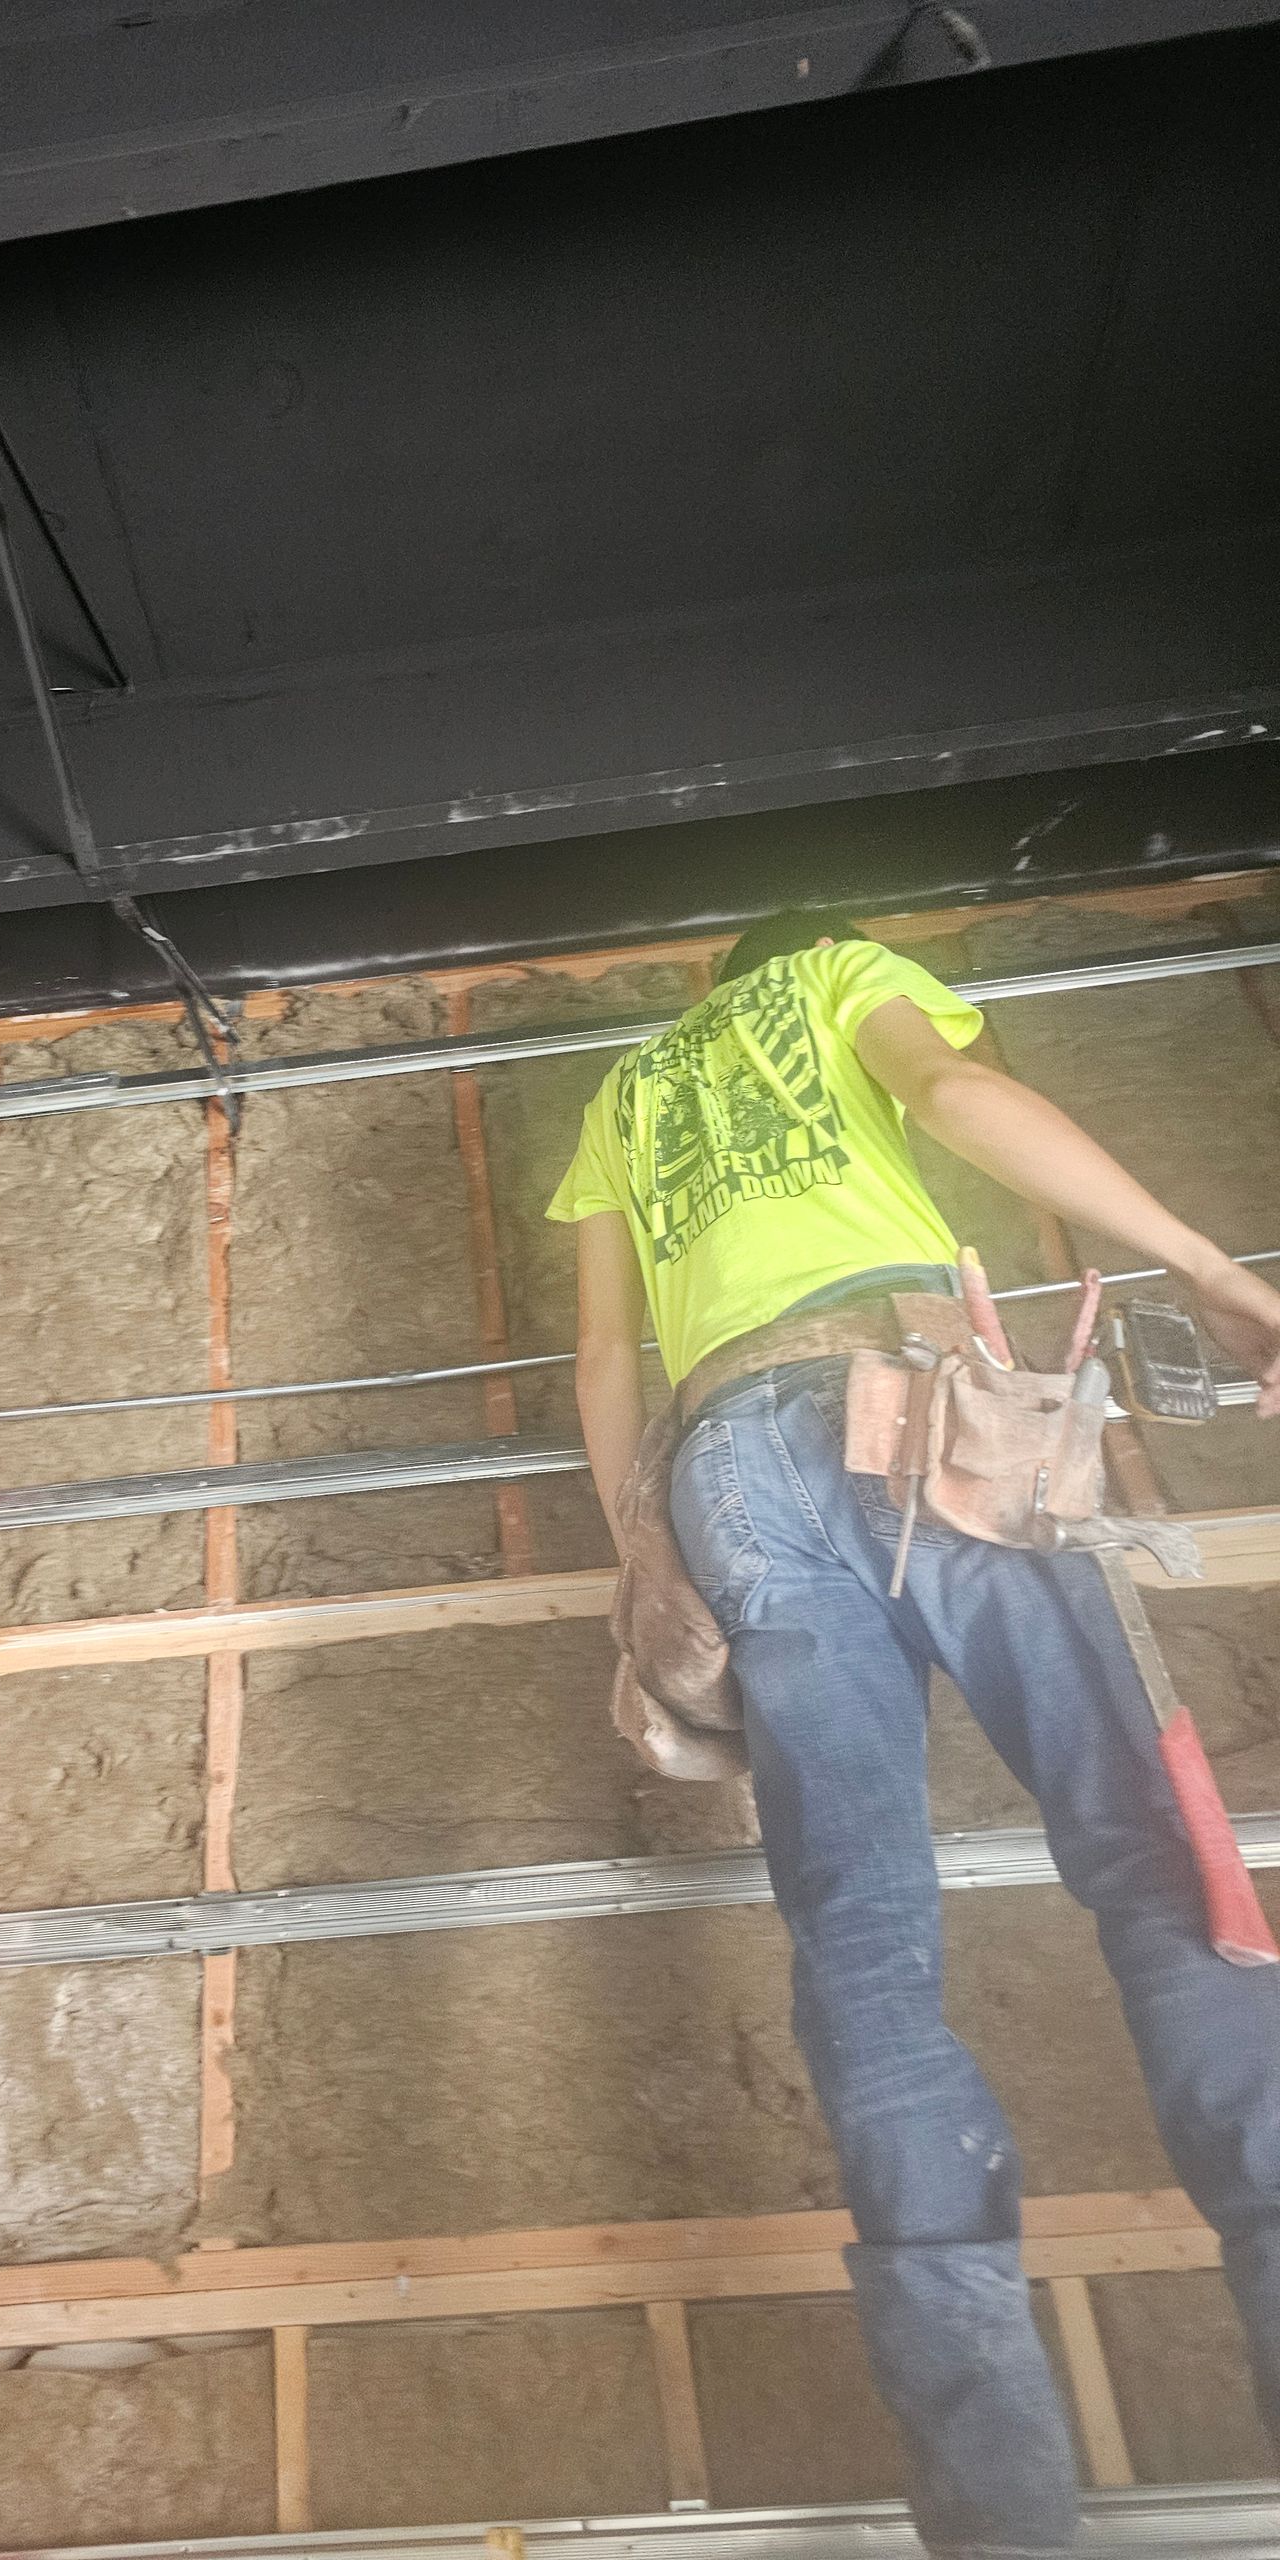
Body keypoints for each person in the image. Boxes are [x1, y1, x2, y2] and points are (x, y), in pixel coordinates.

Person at [552, 910, 1280, 2557]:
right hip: (918, 1397)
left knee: (863, 1940)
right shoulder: (841, 980)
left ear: (700, 984)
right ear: (833, 953)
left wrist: (644, 1553)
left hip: (721, 1465)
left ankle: (999, 2510)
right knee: (1149, 1852)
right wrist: (1221, 1276)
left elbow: (606, 1358)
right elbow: (952, 1104)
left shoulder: (619, 1096)